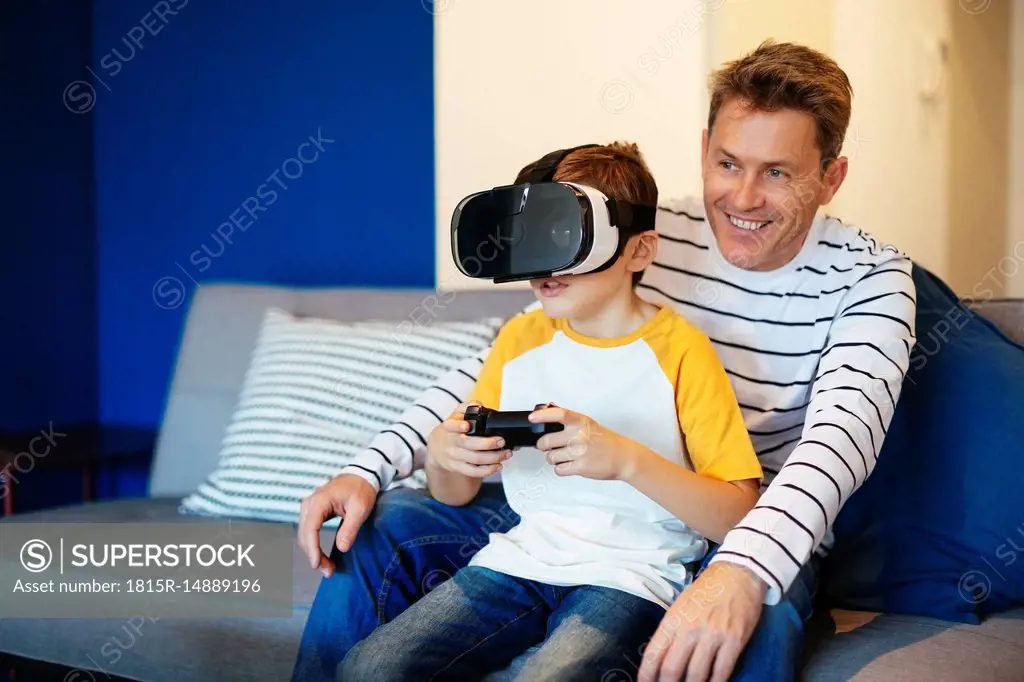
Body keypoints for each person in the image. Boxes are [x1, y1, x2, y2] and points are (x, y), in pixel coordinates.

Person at [291, 40, 918, 682]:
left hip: (738, 516)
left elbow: (838, 448)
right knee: (376, 522)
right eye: (728, 163)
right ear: (704, 148)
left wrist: (743, 568)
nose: (744, 198)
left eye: (778, 172)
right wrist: (371, 466)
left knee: (753, 620)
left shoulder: (873, 280)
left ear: (831, 177)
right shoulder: (638, 227)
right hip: (565, 503)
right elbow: (496, 368)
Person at [338, 140, 765, 680]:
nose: (543, 267)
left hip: (632, 574)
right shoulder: (520, 338)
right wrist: (444, 456)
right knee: (370, 668)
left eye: (564, 237)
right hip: (518, 559)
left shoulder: (682, 351)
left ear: (638, 251)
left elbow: (737, 514)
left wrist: (626, 460)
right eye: (531, 238)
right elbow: (456, 493)